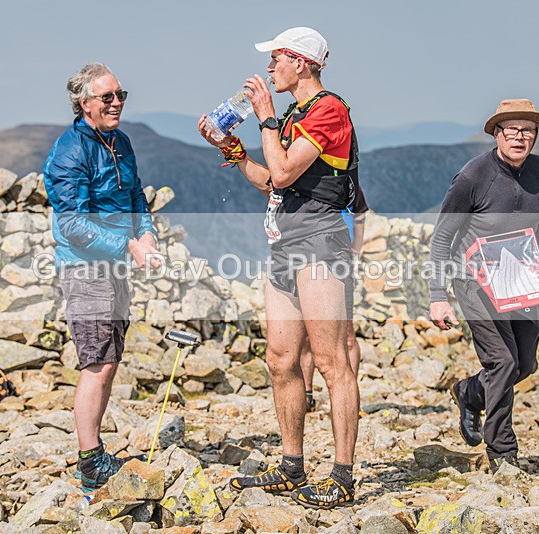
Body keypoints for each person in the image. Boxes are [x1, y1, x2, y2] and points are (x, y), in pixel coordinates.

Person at [198, 27, 360, 509]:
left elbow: (287, 170)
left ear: (301, 63)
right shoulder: (293, 116)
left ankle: (343, 475)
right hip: (285, 246)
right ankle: (292, 466)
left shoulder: (330, 110)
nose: (269, 69)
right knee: (279, 358)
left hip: (320, 243)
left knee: (332, 362)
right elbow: (272, 181)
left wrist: (266, 117)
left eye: (276, 60)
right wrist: (229, 149)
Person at [43, 62, 161, 493]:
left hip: (116, 264)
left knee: (110, 359)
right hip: (83, 265)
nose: (117, 103)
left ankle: (95, 453)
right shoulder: (69, 151)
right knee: (98, 361)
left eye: (121, 95)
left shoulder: (120, 141)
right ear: (83, 103)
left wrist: (145, 231)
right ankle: (90, 461)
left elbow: (134, 195)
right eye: (107, 97)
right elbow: (73, 223)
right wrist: (128, 246)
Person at [428, 99, 539, 474]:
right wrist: (438, 296)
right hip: (475, 283)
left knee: (525, 362)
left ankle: (469, 392)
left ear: (535, 135)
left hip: (521, 280)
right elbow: (441, 239)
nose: (520, 136)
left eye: (527, 130)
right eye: (511, 129)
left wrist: (538, 257)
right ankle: (502, 453)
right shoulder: (473, 176)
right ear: (496, 134)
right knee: (502, 362)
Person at [301, 196, 368, 413]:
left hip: (340, 262)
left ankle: (348, 396)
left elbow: (360, 212)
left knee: (347, 334)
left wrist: (356, 247)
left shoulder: (345, 175)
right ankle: (306, 394)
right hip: (305, 258)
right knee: (306, 333)